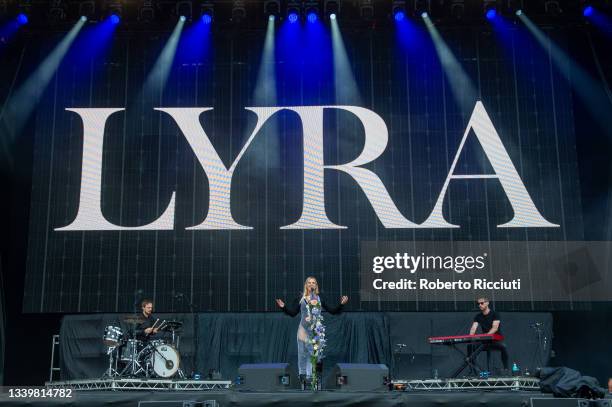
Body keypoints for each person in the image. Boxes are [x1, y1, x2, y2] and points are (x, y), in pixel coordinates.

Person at [275, 276, 348, 384]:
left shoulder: (320, 298)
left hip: (316, 330)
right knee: (303, 354)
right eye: (309, 282)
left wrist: (341, 304)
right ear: (306, 285)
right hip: (303, 330)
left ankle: (315, 377)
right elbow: (293, 313)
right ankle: (303, 378)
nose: (311, 284)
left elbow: (332, 311)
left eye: (313, 282)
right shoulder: (301, 298)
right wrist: (283, 307)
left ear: (316, 285)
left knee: (316, 355)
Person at [468, 296, 509, 374]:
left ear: (487, 303)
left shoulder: (495, 314)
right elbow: (473, 328)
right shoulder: (478, 316)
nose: (480, 305)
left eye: (482, 303)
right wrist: (470, 337)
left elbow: (495, 328)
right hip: (485, 341)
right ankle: (473, 371)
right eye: (478, 304)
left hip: (495, 340)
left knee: (503, 347)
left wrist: (486, 336)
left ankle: (506, 369)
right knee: (470, 346)